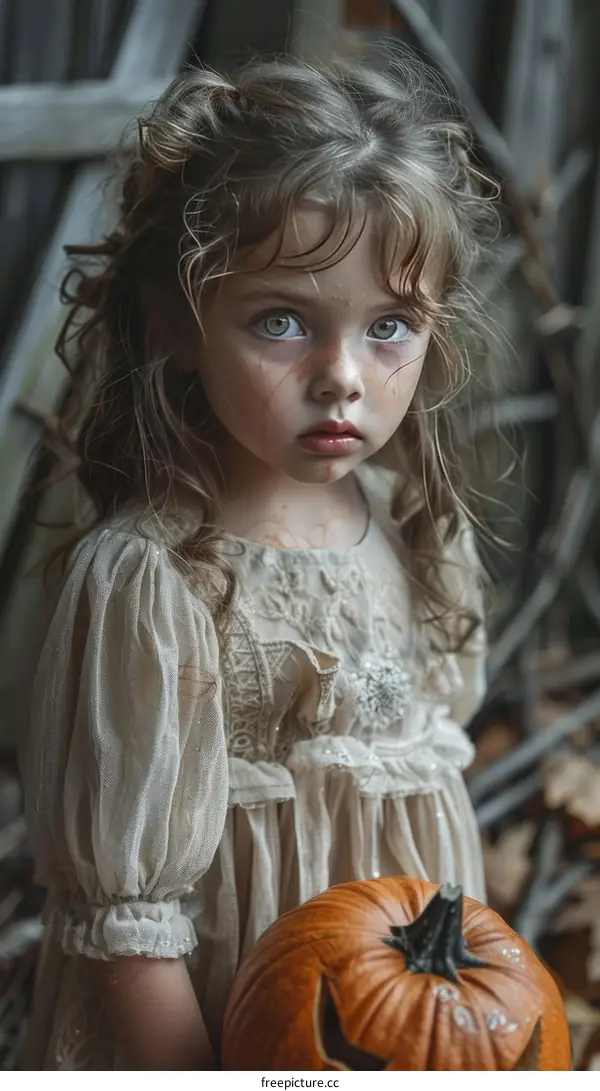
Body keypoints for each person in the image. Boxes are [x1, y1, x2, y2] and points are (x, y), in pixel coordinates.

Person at [20, 51, 497, 1070]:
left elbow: (431, 796)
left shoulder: (417, 525)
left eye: (389, 327)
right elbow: (130, 921)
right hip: (218, 1019)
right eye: (281, 320)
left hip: (405, 1019)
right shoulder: (153, 579)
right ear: (175, 323)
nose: (342, 377)